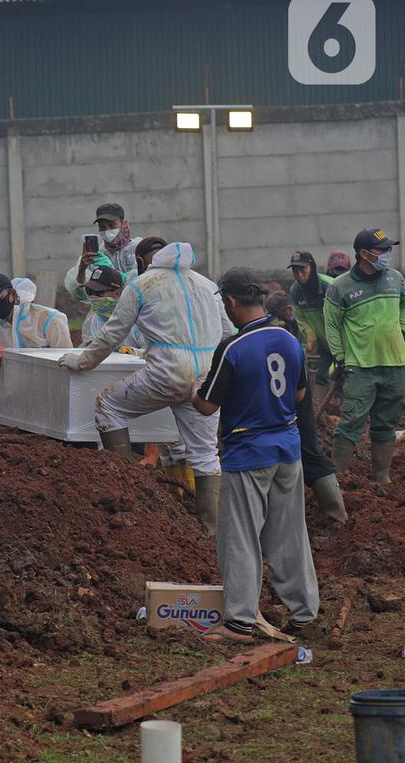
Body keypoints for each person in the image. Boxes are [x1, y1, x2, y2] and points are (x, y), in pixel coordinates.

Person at [58, 238, 229, 533]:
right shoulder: (206, 285)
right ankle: (212, 530)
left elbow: (113, 332)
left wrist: (83, 361)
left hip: (167, 371)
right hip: (205, 376)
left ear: (141, 262)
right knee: (204, 453)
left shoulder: (143, 283)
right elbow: (227, 331)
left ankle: (125, 499)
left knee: (107, 407)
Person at [193, 267, 320, 643]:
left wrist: (188, 390)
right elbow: (298, 396)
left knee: (241, 537)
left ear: (231, 303)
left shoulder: (232, 347)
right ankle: (303, 612)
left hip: (248, 452)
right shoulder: (287, 338)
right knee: (289, 534)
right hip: (287, 449)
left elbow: (206, 406)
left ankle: (238, 622)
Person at [324, 228, 405, 482]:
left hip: (395, 364)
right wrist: (340, 357)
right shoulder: (341, 287)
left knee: (386, 424)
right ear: (363, 254)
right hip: (360, 367)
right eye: (381, 251)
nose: (387, 255)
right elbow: (332, 325)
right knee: (351, 423)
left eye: (388, 250)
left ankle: (381, 478)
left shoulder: (395, 278)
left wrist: (400, 327)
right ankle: (338, 479)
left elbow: (403, 304)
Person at [266, 291, 347, 522]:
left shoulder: (279, 330)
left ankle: (330, 514)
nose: (290, 312)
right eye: (286, 309)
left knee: (297, 453)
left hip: (282, 397)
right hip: (295, 393)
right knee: (308, 450)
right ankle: (336, 515)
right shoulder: (285, 330)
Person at [64, 202, 142, 343]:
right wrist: (82, 268)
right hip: (103, 319)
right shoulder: (97, 254)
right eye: (102, 227)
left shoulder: (138, 249)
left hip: (134, 320)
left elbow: (142, 285)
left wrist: (113, 273)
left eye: (112, 225)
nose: (107, 231)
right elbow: (80, 293)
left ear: (124, 224)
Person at [0, 273, 72, 372]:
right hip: (11, 384)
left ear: (12, 294)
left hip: (46, 383)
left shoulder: (48, 318)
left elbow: (66, 360)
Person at [288, 251, 334, 402]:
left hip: (342, 341)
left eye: (303, 269)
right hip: (323, 343)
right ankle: (321, 408)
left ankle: (344, 407)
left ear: (312, 267)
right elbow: (301, 319)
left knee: (345, 374)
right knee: (321, 375)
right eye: (295, 271)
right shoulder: (296, 291)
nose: (300, 275)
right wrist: (310, 338)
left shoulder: (329, 286)